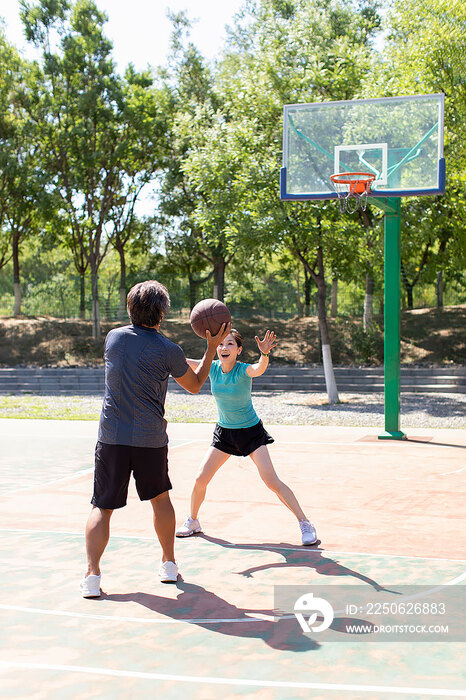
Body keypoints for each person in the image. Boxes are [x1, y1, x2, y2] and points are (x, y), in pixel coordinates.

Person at [80, 280, 230, 597]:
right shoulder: (169, 350)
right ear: (161, 314)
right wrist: (211, 349)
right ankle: (168, 564)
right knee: (160, 499)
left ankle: (92, 577)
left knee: (101, 506)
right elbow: (194, 384)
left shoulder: (114, 339)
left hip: (112, 437)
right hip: (150, 439)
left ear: (129, 309)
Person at [176, 328, 318, 546]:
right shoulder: (212, 368)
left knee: (271, 481)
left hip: (250, 431)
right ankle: (193, 521)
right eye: (221, 344)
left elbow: (258, 369)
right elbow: (187, 361)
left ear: (239, 350)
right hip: (225, 433)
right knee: (200, 479)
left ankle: (305, 523)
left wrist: (264, 354)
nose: (224, 348)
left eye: (230, 344)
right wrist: (164, 352)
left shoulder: (243, 370)